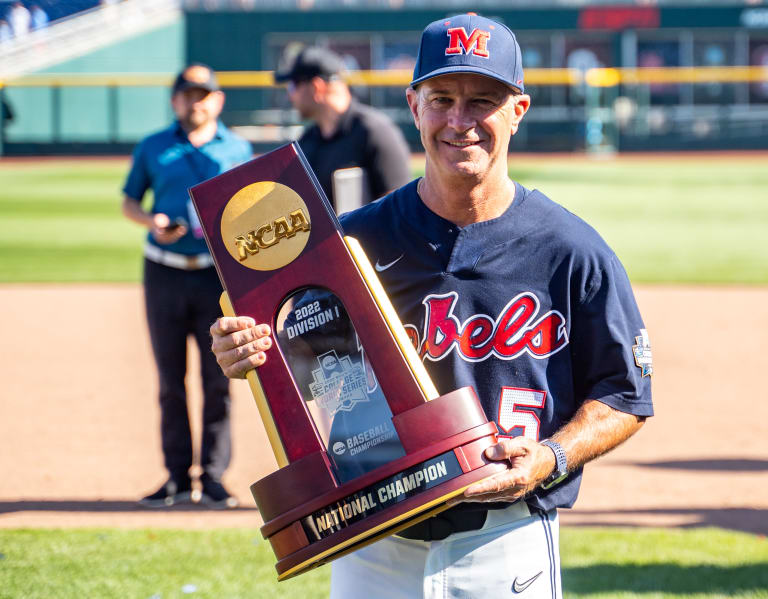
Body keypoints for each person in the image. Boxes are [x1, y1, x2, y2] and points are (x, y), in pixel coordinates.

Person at [210, 13, 653, 598]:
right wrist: (251, 349)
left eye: (483, 101)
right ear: (414, 106)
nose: (459, 121)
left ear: (517, 110)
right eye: (441, 98)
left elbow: (624, 395)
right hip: (373, 539)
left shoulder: (571, 250)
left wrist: (550, 457)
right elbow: (309, 366)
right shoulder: (349, 246)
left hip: (508, 537)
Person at [122, 64, 252, 509]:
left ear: (217, 100)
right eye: (187, 95)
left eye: (204, 95)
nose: (195, 102)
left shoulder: (237, 148)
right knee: (169, 378)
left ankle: (213, 477)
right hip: (164, 270)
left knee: (218, 378)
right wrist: (152, 221)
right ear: (175, 100)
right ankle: (176, 478)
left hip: (216, 276)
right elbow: (129, 202)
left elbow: (249, 206)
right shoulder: (154, 146)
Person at [274, 45, 411, 212]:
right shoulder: (307, 141)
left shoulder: (375, 131)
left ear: (317, 87)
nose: (290, 95)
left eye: (293, 86)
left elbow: (400, 209)